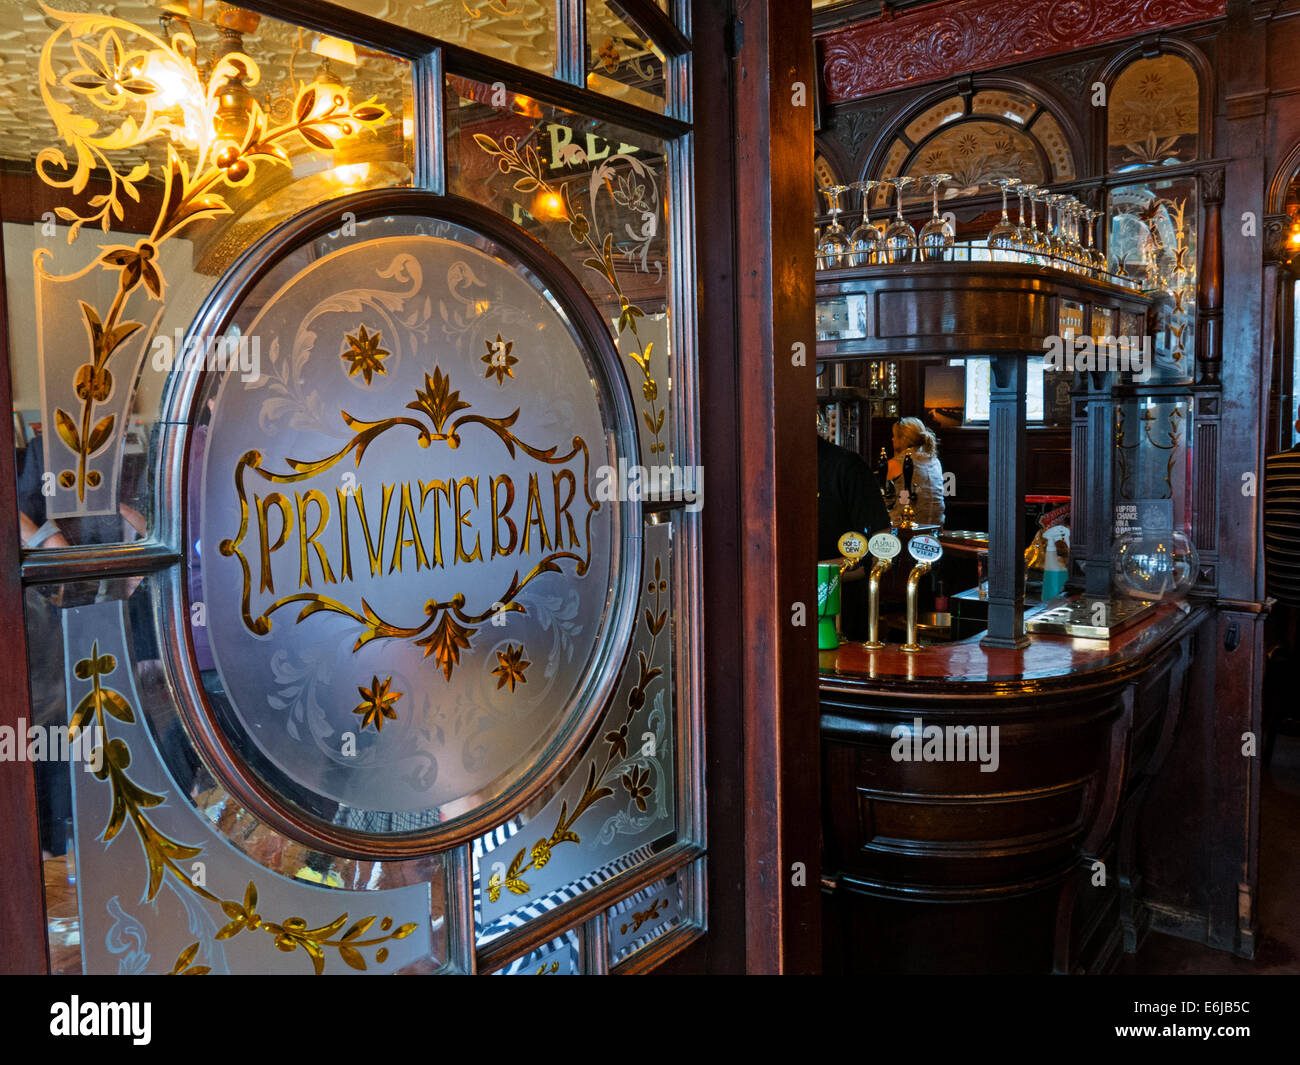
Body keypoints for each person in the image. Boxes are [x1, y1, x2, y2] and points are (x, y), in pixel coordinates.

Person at [818, 434, 892, 640]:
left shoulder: (845, 465)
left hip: (843, 609)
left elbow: (880, 551)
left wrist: (808, 575)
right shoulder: (763, 463)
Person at [886, 417, 945, 527]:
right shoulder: (935, 461)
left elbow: (883, 499)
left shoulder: (896, 463)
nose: (892, 439)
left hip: (906, 528)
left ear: (903, 439)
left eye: (895, 436)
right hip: (936, 526)